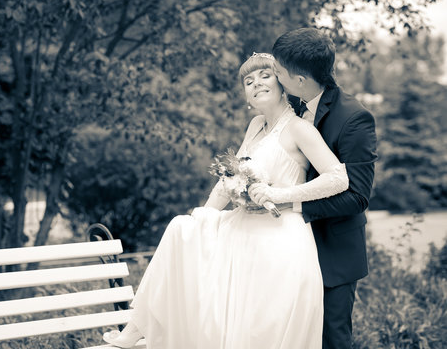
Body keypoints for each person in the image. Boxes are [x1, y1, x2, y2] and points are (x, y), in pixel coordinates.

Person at [103, 52, 349, 349]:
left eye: (264, 76)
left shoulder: (299, 129)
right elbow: (232, 177)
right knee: (184, 228)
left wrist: (280, 195)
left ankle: (136, 330)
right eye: (248, 80)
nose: (256, 83)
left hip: (278, 236)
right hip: (242, 227)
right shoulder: (256, 125)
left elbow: (338, 178)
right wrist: (204, 216)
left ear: (283, 84)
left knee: (257, 329)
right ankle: (137, 328)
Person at [271, 27, 378, 349]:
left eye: (278, 71)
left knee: (331, 339)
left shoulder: (355, 118)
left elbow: (358, 196)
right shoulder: (287, 104)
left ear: (300, 79)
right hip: (285, 246)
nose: (274, 76)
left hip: (333, 251)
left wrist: (293, 205)